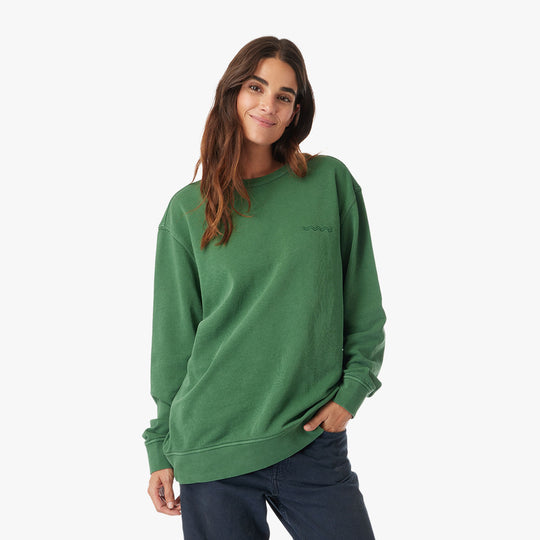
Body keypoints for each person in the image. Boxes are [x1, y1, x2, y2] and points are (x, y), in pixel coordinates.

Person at [142, 35, 387, 540]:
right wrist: (159, 445)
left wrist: (353, 391)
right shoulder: (188, 210)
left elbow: (363, 305)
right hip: (211, 447)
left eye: (284, 95)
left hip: (310, 437)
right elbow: (174, 340)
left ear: (297, 110)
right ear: (233, 93)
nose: (268, 105)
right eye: (256, 87)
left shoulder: (328, 182)